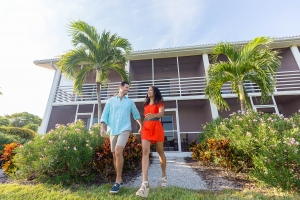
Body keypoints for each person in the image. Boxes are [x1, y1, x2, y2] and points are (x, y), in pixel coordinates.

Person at [100, 81, 142, 194]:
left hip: (125, 128)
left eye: (129, 88)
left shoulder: (130, 102)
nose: (128, 89)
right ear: (120, 87)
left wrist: (141, 125)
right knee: (114, 154)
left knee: (118, 152)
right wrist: (102, 128)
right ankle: (120, 179)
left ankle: (117, 181)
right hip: (112, 130)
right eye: (126, 87)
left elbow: (136, 114)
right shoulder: (110, 101)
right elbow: (105, 115)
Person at [136, 86, 167, 198]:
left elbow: (161, 114)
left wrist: (153, 115)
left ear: (155, 92)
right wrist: (141, 126)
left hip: (157, 127)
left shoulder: (160, 102)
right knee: (145, 152)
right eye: (148, 90)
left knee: (160, 152)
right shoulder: (145, 104)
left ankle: (164, 176)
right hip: (147, 129)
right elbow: (145, 117)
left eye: (150, 90)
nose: (148, 92)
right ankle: (144, 183)